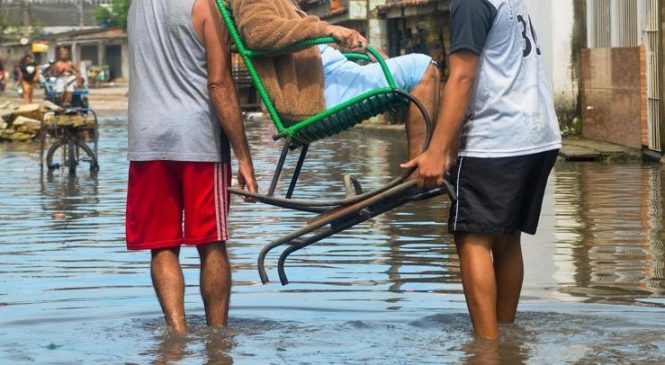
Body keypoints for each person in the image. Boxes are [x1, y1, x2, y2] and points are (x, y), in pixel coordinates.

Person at [402, 0, 562, 339]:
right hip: (538, 135)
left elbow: (461, 77)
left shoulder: (471, 3)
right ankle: (506, 341)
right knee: (505, 240)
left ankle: (486, 351)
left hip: (498, 138)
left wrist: (437, 149)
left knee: (472, 237)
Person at [126, 0, 258, 334]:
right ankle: (217, 341)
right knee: (211, 241)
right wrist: (244, 156)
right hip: (198, 139)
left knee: (162, 244)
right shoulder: (205, 6)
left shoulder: (137, 6)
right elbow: (219, 84)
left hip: (146, 140)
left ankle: (177, 334)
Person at [229, 0, 441, 159]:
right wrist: (327, 29)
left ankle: (430, 161)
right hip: (318, 94)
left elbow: (309, 43)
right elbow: (259, 33)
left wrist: (348, 43)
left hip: (331, 78)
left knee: (416, 71)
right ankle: (419, 169)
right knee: (423, 68)